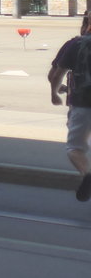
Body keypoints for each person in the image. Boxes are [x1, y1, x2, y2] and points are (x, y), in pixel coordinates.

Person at [48, 11, 91, 202]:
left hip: (82, 105)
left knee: (75, 148)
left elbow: (55, 75)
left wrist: (55, 93)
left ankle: (87, 173)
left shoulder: (75, 44)